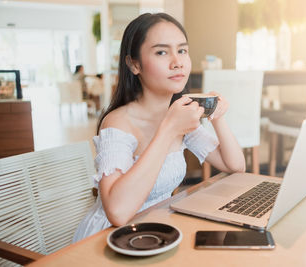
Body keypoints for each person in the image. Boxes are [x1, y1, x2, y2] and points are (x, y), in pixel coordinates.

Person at [72, 13, 245, 242]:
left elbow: (235, 166)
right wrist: (168, 129)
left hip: (155, 232)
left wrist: (217, 116)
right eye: (162, 52)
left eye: (182, 50)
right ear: (134, 64)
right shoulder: (118, 123)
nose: (177, 62)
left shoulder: (177, 114)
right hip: (109, 239)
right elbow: (118, 212)